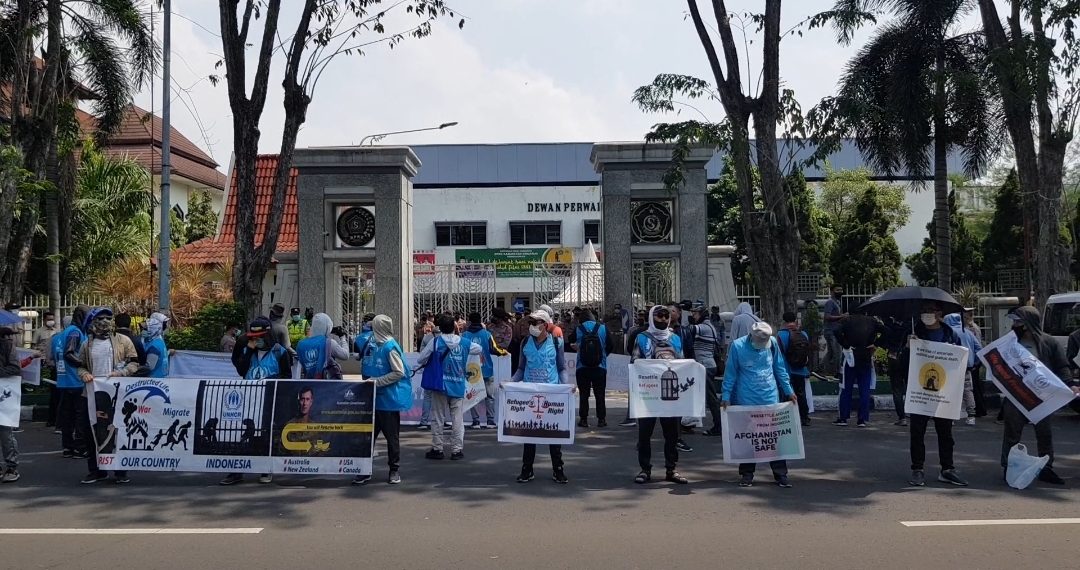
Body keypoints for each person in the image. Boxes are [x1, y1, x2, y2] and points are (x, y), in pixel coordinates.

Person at [1001, 306, 1077, 485]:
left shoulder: (1049, 342)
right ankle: (1008, 466)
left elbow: (1062, 366)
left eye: (1018, 321)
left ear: (1028, 323)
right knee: (1012, 433)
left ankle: (1046, 468)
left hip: (1042, 397)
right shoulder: (1010, 342)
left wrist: (1070, 384)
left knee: (1044, 433)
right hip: (1016, 395)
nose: (1014, 325)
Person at [722, 321, 797, 488]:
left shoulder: (773, 344)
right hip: (746, 398)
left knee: (773, 438)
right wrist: (726, 395)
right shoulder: (737, 346)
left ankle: (781, 474)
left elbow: (779, 368)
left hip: (769, 397)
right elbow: (731, 372)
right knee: (749, 437)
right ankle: (747, 474)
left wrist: (788, 390)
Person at [220, 317, 294, 486]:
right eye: (253, 337)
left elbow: (287, 377)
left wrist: (271, 381)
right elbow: (241, 370)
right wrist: (248, 350)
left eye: (259, 337)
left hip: (269, 402)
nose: (256, 340)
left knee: (266, 435)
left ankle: (265, 468)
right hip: (249, 400)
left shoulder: (280, 352)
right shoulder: (249, 349)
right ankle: (236, 471)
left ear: (267, 335)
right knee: (242, 435)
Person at [902, 302, 968, 487]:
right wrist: (908, 348)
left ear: (939, 313)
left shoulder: (951, 335)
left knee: (945, 433)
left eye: (930, 311)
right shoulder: (914, 333)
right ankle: (917, 469)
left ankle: (947, 469)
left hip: (944, 392)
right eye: (924, 311)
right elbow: (903, 365)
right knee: (917, 432)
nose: (927, 314)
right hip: (920, 391)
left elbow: (961, 362)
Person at [75, 308, 139, 484]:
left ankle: (120, 471)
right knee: (91, 432)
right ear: (93, 321)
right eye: (101, 318)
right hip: (91, 394)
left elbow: (134, 363)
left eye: (108, 318)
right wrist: (84, 374)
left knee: (117, 430)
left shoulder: (123, 341)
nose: (105, 321)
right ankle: (96, 470)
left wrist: (122, 373)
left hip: (116, 395)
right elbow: (80, 365)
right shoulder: (86, 344)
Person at [511, 309, 571, 484]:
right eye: (530, 323)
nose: (531, 326)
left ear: (545, 325)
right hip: (530, 394)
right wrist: (510, 382)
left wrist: (566, 386)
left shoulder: (556, 342)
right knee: (530, 434)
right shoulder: (525, 342)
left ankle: (558, 469)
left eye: (535, 323)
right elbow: (521, 369)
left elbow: (561, 368)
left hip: (551, 395)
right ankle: (527, 469)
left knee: (554, 434)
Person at [631, 305, 688, 485]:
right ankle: (645, 469)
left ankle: (671, 469)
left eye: (665, 316)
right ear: (651, 317)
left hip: (670, 393)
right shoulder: (642, 338)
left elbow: (682, 362)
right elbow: (634, 362)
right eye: (659, 316)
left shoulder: (675, 338)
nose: (663, 319)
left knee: (672, 434)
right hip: (648, 395)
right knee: (644, 434)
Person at [417, 314, 481, 461]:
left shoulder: (435, 342)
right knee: (457, 419)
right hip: (458, 384)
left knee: (438, 418)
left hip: (440, 385)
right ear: (454, 327)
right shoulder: (464, 343)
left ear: (439, 327)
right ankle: (456, 450)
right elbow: (479, 349)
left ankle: (437, 448)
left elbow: (421, 359)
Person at [356, 315, 411, 485]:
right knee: (367, 438)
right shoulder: (372, 343)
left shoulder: (390, 347)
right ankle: (363, 470)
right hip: (372, 398)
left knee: (391, 438)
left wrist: (377, 382)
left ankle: (394, 470)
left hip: (388, 401)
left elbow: (398, 372)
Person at [833, 313, 885, 428]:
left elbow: (836, 330)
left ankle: (843, 418)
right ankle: (862, 419)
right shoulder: (872, 321)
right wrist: (875, 344)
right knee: (864, 389)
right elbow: (886, 331)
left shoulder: (847, 320)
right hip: (866, 355)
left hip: (850, 355)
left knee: (846, 388)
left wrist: (845, 344)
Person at [462, 312, 508, 429]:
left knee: (472, 395)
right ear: (480, 321)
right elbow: (494, 349)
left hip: (472, 371)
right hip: (487, 369)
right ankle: (490, 421)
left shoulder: (464, 335)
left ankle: (476, 421)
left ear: (469, 321)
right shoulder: (487, 334)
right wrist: (504, 352)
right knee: (489, 396)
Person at [57, 306, 89, 458]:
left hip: (64, 380)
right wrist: (84, 364)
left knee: (67, 417)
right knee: (80, 417)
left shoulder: (62, 334)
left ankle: (68, 447)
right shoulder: (75, 332)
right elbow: (69, 353)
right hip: (76, 380)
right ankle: (79, 448)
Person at [688, 304, 724, 436]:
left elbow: (688, 330)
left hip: (705, 366)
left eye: (695, 313)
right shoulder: (710, 326)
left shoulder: (704, 327)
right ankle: (688, 422)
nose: (693, 316)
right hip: (707, 365)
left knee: (711, 398)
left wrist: (684, 317)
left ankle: (718, 426)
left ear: (702, 314)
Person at [573, 310, 613, 428]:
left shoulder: (578, 328)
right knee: (600, 394)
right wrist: (603, 355)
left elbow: (570, 340)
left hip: (582, 366)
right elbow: (611, 345)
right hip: (600, 366)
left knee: (584, 394)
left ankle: (583, 419)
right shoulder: (603, 328)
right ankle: (601, 419)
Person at [945, 313, 981, 426]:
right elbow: (979, 348)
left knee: (950, 391)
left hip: (950, 366)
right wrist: (975, 362)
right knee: (967, 390)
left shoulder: (948, 332)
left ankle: (951, 417)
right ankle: (971, 416)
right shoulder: (968, 332)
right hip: (966, 366)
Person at [777, 312, 812, 426]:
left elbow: (779, 353)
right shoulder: (804, 334)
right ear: (795, 320)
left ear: (784, 321)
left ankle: (788, 419)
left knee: (787, 394)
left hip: (787, 369)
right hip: (801, 369)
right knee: (801, 394)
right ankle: (804, 417)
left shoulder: (780, 335)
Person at [0, 325, 23, 482]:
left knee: (5, 433)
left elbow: (15, 368)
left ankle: (11, 467)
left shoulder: (7, 346)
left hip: (4, 393)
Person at [296, 313, 348, 379]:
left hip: (308, 382)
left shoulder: (300, 344)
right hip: (325, 382)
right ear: (328, 327)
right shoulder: (329, 342)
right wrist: (342, 338)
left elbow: (300, 367)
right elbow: (345, 355)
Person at [33, 311, 59, 428]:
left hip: (53, 363)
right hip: (41, 359)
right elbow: (34, 346)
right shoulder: (39, 331)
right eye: (49, 319)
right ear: (44, 320)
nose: (51, 321)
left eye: (52, 319)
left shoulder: (57, 332)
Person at [823, 286, 846, 377]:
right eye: (837, 290)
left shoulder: (838, 302)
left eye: (841, 290)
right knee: (837, 352)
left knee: (832, 352)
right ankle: (837, 372)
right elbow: (827, 317)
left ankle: (824, 369)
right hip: (831, 331)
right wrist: (841, 316)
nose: (840, 292)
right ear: (832, 292)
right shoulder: (830, 302)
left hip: (836, 331)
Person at [141, 312, 170, 378]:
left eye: (146, 329)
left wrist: (135, 368)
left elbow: (149, 367)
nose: (165, 326)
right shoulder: (157, 340)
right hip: (161, 377)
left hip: (153, 379)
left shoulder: (154, 345)